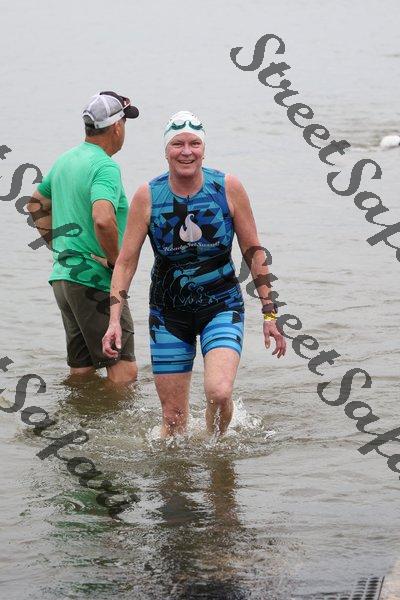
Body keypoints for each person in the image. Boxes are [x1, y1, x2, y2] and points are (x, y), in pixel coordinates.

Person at [102, 110, 286, 435]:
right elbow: (126, 262)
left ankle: (217, 452)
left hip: (222, 306)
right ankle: (180, 464)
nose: (186, 151)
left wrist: (270, 314)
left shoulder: (227, 188)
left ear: (204, 149)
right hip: (168, 314)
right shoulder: (148, 195)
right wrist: (114, 320)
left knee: (219, 392)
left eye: (194, 143)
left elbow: (253, 251)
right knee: (173, 421)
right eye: (178, 144)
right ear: (166, 150)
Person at [28, 91, 139, 383]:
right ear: (117, 127)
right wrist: (116, 263)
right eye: (125, 123)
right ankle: (110, 417)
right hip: (93, 280)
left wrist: (59, 245)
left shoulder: (66, 160)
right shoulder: (105, 166)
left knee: (82, 371)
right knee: (124, 370)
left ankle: (79, 412)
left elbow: (35, 204)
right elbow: (102, 218)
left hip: (64, 278)